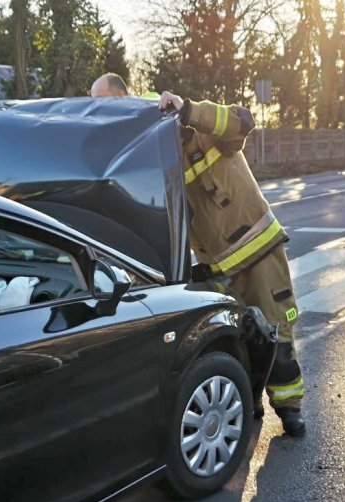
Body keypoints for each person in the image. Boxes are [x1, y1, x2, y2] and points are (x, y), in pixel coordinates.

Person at [88, 74, 306, 436]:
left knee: (275, 332)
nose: (102, 112)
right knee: (232, 338)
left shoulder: (193, 126)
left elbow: (242, 122)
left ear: (125, 97)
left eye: (106, 103)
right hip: (214, 267)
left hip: (258, 252)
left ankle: (289, 408)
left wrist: (188, 110)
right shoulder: (145, 150)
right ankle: (247, 402)